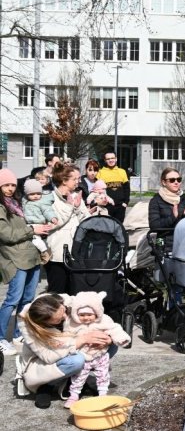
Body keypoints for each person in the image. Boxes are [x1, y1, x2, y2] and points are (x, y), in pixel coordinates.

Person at [17, 294, 117, 408]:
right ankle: (46, 386)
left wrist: (108, 337)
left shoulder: (66, 301)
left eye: (64, 310)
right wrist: (82, 340)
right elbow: (48, 357)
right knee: (77, 360)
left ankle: (75, 381)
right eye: (59, 319)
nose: (65, 316)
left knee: (111, 344)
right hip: (45, 363)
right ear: (45, 322)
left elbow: (99, 316)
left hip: (74, 345)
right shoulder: (30, 325)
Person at [0, 169, 52, 357]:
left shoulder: (16, 203)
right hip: (14, 259)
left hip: (31, 257)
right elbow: (7, 235)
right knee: (12, 300)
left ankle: (18, 334)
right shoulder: (1, 207)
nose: (10, 188)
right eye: (6, 185)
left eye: (13, 185)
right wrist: (32, 229)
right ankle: (0, 338)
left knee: (27, 299)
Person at [62, 291, 131, 408]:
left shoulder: (104, 320)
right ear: (75, 314)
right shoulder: (72, 323)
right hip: (83, 355)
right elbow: (67, 336)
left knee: (103, 375)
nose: (86, 318)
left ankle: (102, 394)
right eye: (82, 315)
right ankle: (73, 395)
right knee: (78, 377)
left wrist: (121, 339)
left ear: (97, 312)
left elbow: (115, 329)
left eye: (89, 315)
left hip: (100, 355)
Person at [45, 164, 92, 294]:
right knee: (57, 292)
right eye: (75, 179)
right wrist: (70, 206)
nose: (79, 181)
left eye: (79, 178)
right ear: (64, 180)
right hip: (57, 253)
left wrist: (78, 208)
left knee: (74, 291)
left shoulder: (77, 195)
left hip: (75, 251)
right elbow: (54, 223)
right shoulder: (49, 198)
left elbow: (86, 220)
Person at [148, 168, 185, 236]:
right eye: (172, 180)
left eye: (179, 179)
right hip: (166, 242)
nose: (176, 182)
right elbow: (154, 225)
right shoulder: (156, 201)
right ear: (164, 182)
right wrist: (173, 217)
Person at [96, 152, 130, 223]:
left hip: (120, 206)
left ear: (116, 159)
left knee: (119, 227)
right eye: (108, 159)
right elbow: (98, 190)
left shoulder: (122, 171)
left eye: (112, 158)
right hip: (106, 206)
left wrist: (126, 202)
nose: (110, 160)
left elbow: (126, 188)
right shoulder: (100, 172)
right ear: (105, 160)